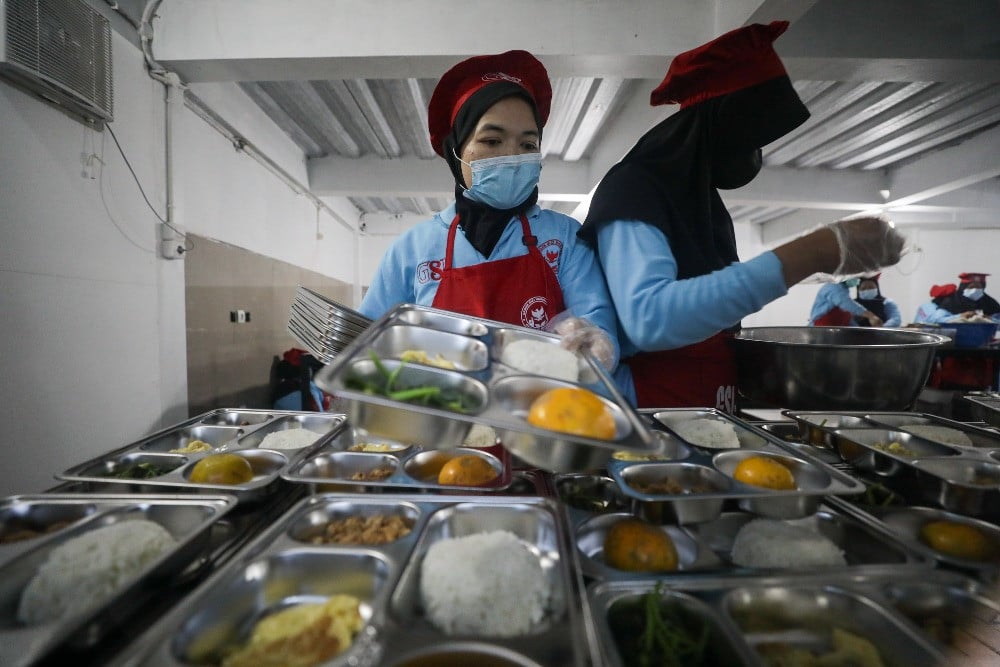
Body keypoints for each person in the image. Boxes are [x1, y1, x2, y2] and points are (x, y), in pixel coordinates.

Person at [576, 21, 905, 410]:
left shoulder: (700, 203)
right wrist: (810, 253)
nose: (755, 154)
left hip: (706, 408)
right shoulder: (637, 188)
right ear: (723, 118)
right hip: (651, 418)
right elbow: (650, 318)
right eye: (752, 135)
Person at [359, 50, 619, 369]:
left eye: (527, 145)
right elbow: (368, 346)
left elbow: (599, 330)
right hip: (442, 415)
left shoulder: (565, 240)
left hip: (541, 411)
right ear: (456, 151)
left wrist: (595, 343)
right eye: (492, 141)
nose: (511, 157)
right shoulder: (410, 252)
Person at [808, 278, 883, 327]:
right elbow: (845, 303)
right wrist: (869, 315)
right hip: (823, 328)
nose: (857, 280)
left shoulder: (844, 289)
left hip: (835, 331)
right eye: (856, 276)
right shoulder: (833, 287)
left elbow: (847, 317)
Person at [929, 272, 1000, 321]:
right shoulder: (952, 300)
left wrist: (989, 319)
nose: (975, 290)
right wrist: (960, 317)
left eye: (979, 287)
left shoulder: (988, 302)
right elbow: (935, 320)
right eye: (972, 287)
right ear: (963, 287)